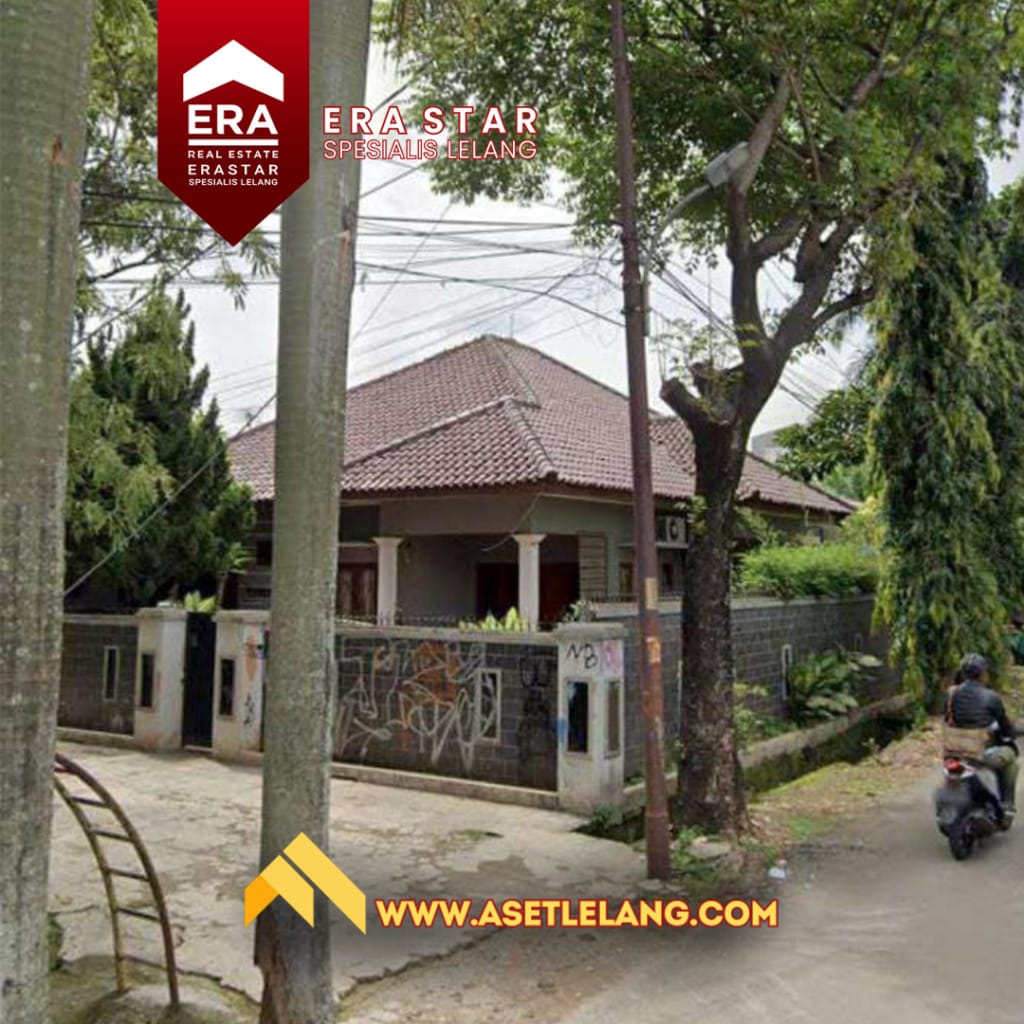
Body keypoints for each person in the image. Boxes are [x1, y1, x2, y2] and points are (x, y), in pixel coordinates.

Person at [944, 653, 1019, 821]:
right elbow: (1006, 728)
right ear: (983, 674)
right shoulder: (991, 697)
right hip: (982, 754)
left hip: (956, 751)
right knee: (1011, 761)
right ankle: (1007, 807)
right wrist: (1013, 733)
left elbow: (948, 720)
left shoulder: (952, 694)